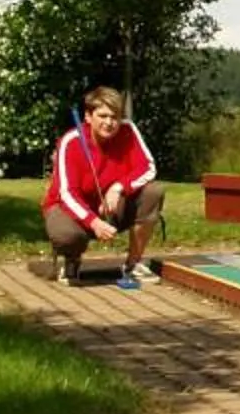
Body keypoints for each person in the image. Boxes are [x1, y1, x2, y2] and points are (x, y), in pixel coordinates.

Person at [43, 87, 162, 290]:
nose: (109, 123)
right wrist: (94, 222)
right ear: (88, 117)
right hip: (68, 209)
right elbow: (67, 193)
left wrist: (118, 187)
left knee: (153, 192)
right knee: (67, 236)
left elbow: (148, 167)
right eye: (102, 116)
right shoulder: (70, 142)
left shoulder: (128, 131)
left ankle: (132, 265)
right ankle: (71, 261)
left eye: (114, 116)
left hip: (110, 205)